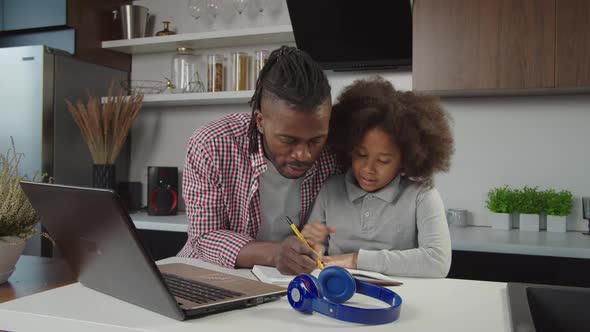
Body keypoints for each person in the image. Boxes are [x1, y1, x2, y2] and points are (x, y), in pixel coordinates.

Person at [177, 46, 339, 275]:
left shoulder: (335, 152)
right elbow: (204, 237)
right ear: (260, 122)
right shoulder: (211, 144)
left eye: (316, 140)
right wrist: (275, 254)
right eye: (288, 140)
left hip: (293, 280)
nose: (304, 154)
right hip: (212, 273)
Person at [302, 76, 454, 278]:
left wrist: (356, 260)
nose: (368, 168)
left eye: (383, 161)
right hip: (339, 292)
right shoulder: (330, 189)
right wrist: (314, 248)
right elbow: (314, 242)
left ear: (406, 159)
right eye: (361, 155)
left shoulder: (421, 196)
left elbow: (437, 262)